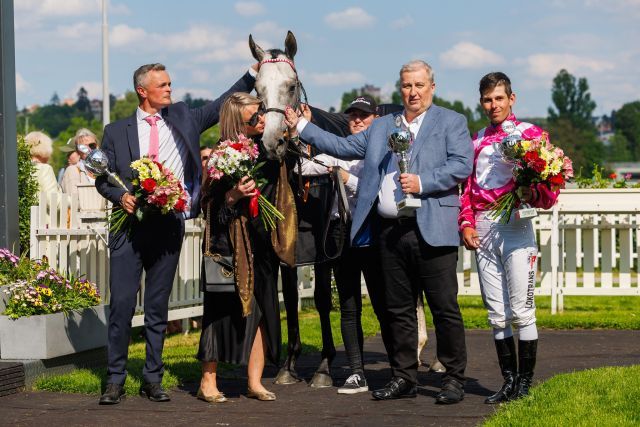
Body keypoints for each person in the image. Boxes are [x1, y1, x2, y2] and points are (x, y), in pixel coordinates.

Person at [284, 60, 473, 403]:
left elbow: (462, 164)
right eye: (406, 86)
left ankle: (453, 378)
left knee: (444, 307)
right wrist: (300, 125)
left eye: (419, 85)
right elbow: (341, 147)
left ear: (432, 86)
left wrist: (423, 182)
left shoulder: (452, 121)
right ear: (399, 89)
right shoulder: (384, 125)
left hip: (432, 226)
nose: (412, 92)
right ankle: (403, 377)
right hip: (389, 231)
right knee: (396, 308)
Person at [95, 63, 258, 405]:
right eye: (163, 85)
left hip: (169, 225)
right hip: (129, 228)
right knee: (122, 305)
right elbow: (102, 177)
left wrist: (251, 74)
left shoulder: (183, 117)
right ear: (143, 90)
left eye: (170, 83)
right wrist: (119, 196)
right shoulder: (116, 130)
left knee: (157, 307)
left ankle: (152, 379)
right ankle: (115, 379)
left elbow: (219, 104)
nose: (170, 89)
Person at [459, 72, 558, 403]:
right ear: (482, 102)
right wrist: (466, 223)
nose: (493, 105)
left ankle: (526, 385)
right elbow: (468, 190)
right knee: (496, 313)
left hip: (516, 225)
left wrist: (533, 191)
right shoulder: (475, 141)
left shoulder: (530, 135)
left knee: (522, 309)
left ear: (511, 99)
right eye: (488, 100)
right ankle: (509, 382)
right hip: (485, 228)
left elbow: (550, 189)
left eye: (499, 98)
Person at [197, 93, 291, 402]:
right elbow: (209, 209)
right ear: (238, 122)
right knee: (218, 313)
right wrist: (233, 196)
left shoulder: (266, 153)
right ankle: (207, 381)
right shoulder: (221, 157)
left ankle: (255, 381)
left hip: (260, 244)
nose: (262, 119)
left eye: (262, 112)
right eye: (254, 117)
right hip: (228, 248)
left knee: (261, 311)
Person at [60, 128, 99, 194]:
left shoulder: (104, 169)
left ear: (97, 147)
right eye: (83, 147)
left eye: (92, 145)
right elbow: (73, 199)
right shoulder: (72, 170)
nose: (89, 149)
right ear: (78, 151)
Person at [24, 131, 62, 196]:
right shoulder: (45, 169)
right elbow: (52, 198)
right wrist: (71, 201)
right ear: (45, 149)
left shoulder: (22, 168)